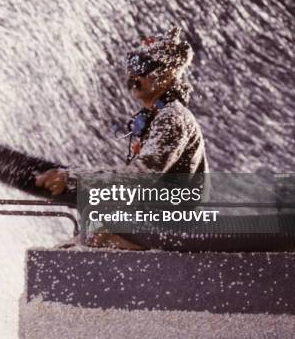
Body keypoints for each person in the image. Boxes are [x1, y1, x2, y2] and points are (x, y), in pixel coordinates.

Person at [35, 26, 208, 249]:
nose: (133, 75)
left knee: (90, 242)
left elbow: (139, 178)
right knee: (79, 239)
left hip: (174, 224)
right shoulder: (156, 117)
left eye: (142, 67)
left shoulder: (173, 118)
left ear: (168, 73)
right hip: (157, 220)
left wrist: (73, 179)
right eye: (132, 65)